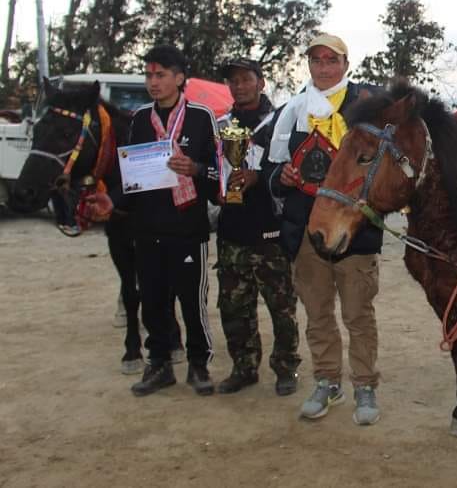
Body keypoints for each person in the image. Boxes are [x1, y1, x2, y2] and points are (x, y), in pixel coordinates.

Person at [85, 45, 222, 396]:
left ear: (180, 78)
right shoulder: (140, 119)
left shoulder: (201, 117)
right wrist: (110, 200)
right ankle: (158, 364)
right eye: (148, 75)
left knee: (192, 301)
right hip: (146, 226)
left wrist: (195, 168)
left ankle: (198, 365)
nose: (153, 82)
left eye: (160, 75)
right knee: (153, 301)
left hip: (187, 227)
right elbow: (132, 177)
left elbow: (219, 170)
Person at [263, 33, 384, 424]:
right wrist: (281, 176)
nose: (324, 67)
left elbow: (385, 166)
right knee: (317, 313)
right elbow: (269, 167)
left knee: (357, 314)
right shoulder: (291, 111)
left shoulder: (368, 107)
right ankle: (327, 381)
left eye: (332, 60)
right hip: (306, 229)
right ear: (309, 65)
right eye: (316, 61)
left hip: (354, 231)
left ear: (346, 64)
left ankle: (364, 386)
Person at [214, 58, 301, 396]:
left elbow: (292, 168)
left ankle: (285, 367)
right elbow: (213, 168)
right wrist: (218, 186)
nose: (239, 86)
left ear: (261, 82)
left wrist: (258, 176)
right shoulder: (222, 124)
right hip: (232, 230)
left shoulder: (282, 121)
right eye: (233, 81)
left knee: (281, 306)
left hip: (270, 230)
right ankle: (244, 367)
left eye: (246, 79)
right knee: (234, 305)